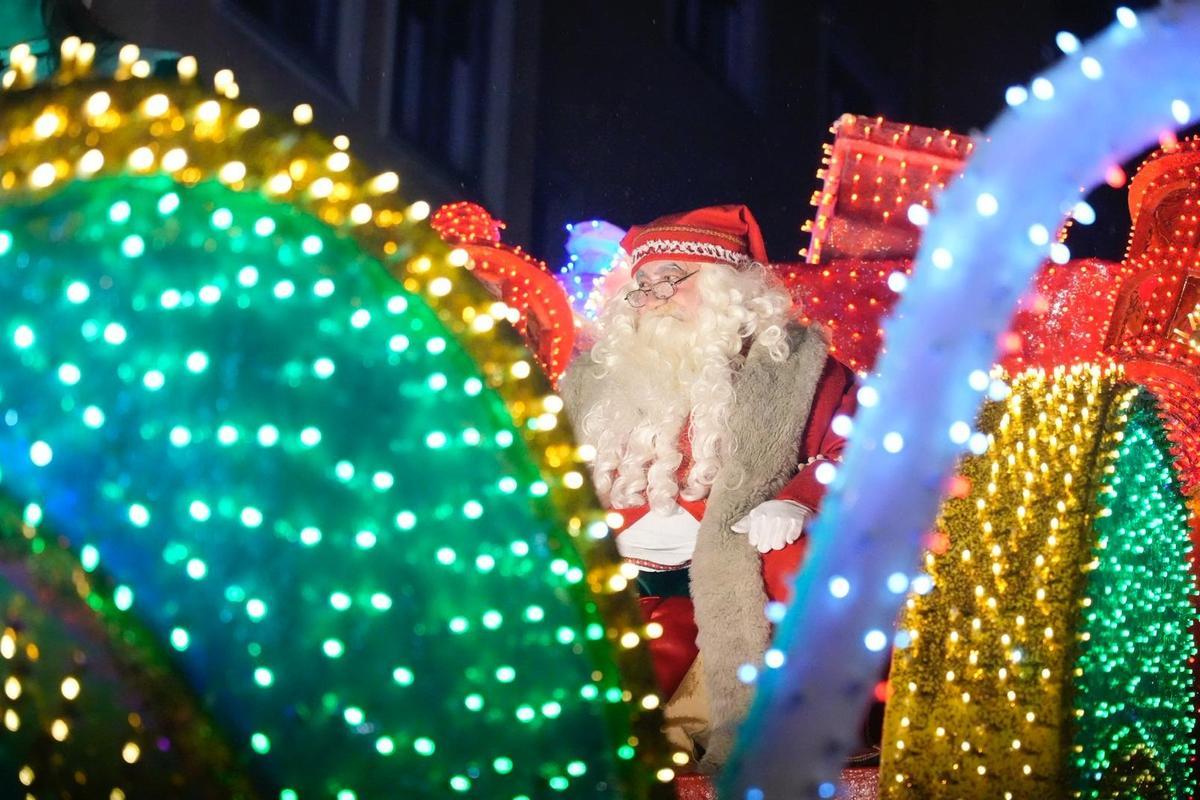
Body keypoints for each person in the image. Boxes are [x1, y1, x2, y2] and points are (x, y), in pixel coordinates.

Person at [560, 205, 857, 769]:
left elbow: (857, 452)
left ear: (728, 289)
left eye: (671, 279)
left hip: (729, 582)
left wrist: (797, 501)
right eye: (643, 286)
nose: (652, 298)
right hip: (620, 588)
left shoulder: (801, 371)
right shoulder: (594, 379)